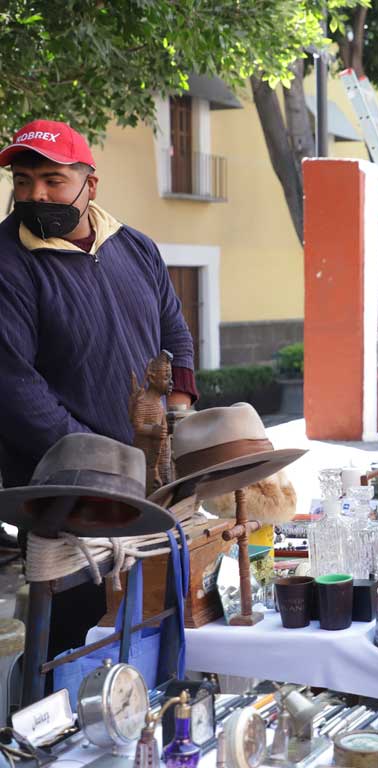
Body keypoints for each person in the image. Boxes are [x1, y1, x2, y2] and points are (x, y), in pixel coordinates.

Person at [0, 120, 198, 657]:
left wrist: (176, 418)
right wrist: (105, 465)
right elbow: (14, 388)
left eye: (52, 180)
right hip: (65, 500)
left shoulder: (135, 247)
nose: (35, 194)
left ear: (91, 184)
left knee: (155, 637)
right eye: (23, 181)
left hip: (153, 486)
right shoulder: (6, 261)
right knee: (71, 651)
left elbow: (175, 333)